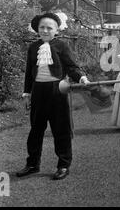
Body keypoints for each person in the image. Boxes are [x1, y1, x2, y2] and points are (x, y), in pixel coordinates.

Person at [17, 12, 90, 180]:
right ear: (37, 29)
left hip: (57, 91)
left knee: (61, 130)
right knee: (35, 130)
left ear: (56, 30)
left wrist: (82, 77)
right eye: (42, 27)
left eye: (49, 28)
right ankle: (33, 164)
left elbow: (72, 67)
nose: (45, 30)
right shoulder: (33, 47)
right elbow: (29, 72)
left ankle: (63, 165)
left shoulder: (62, 46)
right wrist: (27, 93)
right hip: (38, 92)